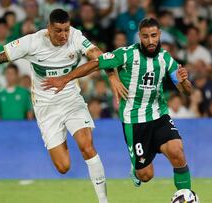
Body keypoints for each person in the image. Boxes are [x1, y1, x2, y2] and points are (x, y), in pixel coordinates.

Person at [0, 9, 125, 203]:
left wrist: (112, 77)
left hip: (71, 100)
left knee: (87, 145)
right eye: (58, 30)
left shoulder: (75, 37)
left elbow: (99, 56)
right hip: (46, 107)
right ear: (48, 28)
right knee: (63, 166)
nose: (63, 35)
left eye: (66, 30)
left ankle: (103, 201)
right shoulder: (31, 42)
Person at [43, 18, 193, 192]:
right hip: (134, 121)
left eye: (154, 35)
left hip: (159, 115)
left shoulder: (166, 58)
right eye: (145, 36)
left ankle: (187, 196)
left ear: (159, 35)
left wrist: (184, 81)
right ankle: (136, 169)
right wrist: (64, 79)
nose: (150, 41)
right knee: (146, 175)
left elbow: (186, 90)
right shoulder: (126, 54)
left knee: (177, 152)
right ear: (139, 37)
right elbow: (95, 63)